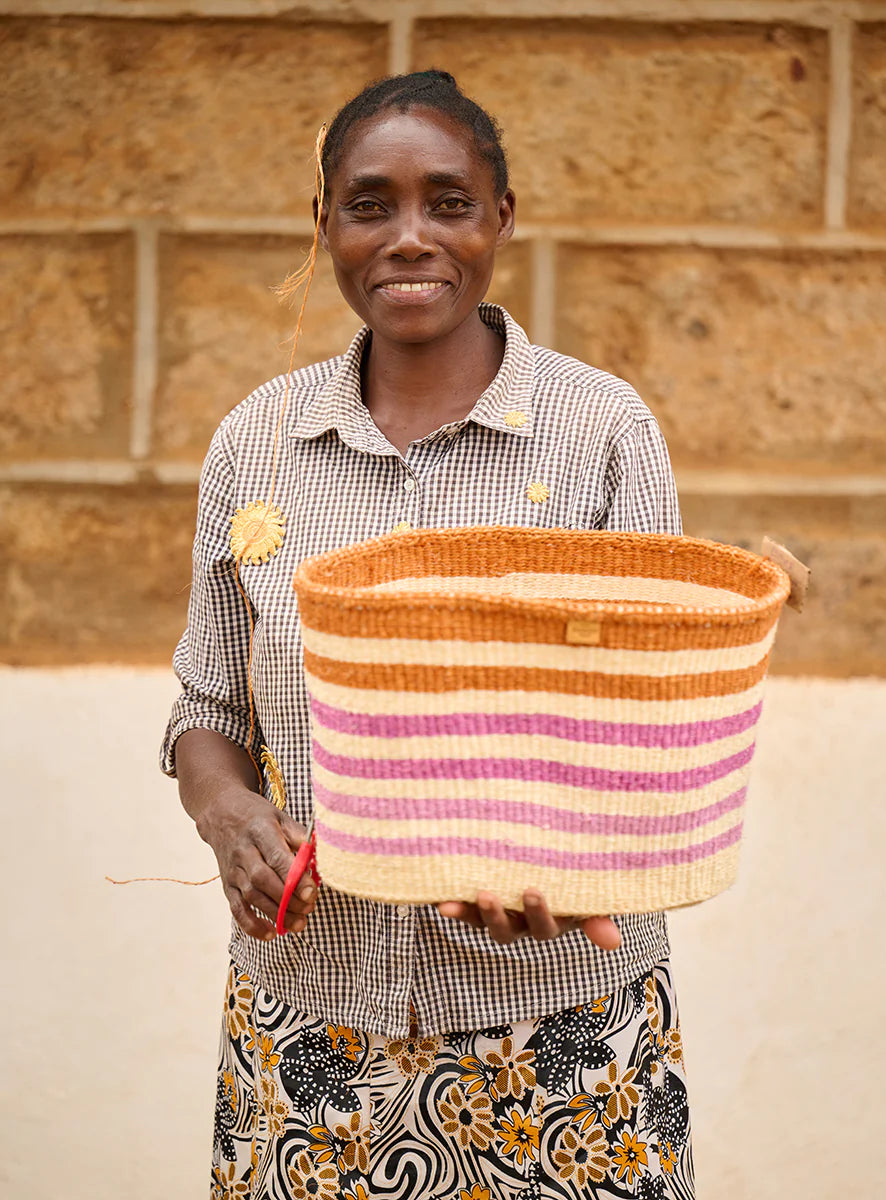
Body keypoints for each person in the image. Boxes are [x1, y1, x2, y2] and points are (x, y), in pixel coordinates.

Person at [163, 70, 694, 1200]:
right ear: (325, 225)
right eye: (370, 204)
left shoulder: (601, 434)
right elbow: (206, 710)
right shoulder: (255, 443)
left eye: (448, 202)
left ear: (502, 218)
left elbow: (657, 718)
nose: (410, 237)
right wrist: (226, 813)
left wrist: (557, 853)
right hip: (311, 1028)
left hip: (558, 1029)